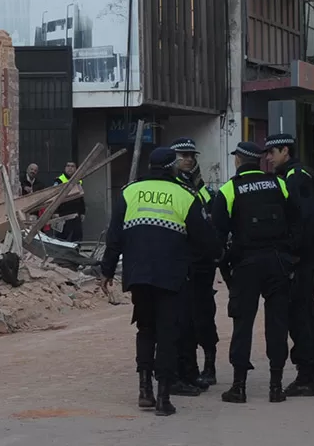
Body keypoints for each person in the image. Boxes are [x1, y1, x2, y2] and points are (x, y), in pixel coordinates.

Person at [99, 146, 218, 416]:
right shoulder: (185, 195)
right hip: (172, 276)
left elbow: (114, 236)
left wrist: (106, 271)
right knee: (167, 334)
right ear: (171, 167)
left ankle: (144, 390)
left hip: (138, 275)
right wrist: (214, 256)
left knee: (145, 329)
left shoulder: (129, 192)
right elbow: (205, 238)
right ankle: (163, 397)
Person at [212, 138, 301, 404]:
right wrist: (291, 256)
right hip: (278, 263)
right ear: (259, 161)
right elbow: (297, 220)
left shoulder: (229, 189)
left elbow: (217, 235)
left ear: (238, 160)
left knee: (243, 324)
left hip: (245, 265)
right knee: (277, 323)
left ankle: (238, 387)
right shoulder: (279, 183)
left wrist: (223, 263)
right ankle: (276, 386)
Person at [276, 137, 314, 398]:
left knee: (300, 314)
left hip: (302, 259)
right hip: (308, 255)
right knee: (306, 312)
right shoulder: (299, 174)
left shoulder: (295, 177)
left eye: (272, 152)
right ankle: (312, 374)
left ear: (286, 151)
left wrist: (294, 254)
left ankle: (308, 374)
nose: (269, 158)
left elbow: (308, 217)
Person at [171, 137, 219, 389]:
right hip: (179, 260)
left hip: (202, 263)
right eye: (183, 155)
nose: (188, 159)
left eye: (191, 155)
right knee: (181, 318)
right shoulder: (171, 186)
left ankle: (209, 365)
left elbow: (212, 219)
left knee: (204, 315)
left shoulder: (202, 188)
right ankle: (187, 369)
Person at [55, 161, 86, 242]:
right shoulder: (59, 180)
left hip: (76, 213)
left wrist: (83, 212)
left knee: (77, 236)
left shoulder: (78, 180)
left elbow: (81, 197)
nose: (70, 168)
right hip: (63, 213)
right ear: (65, 168)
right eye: (68, 166)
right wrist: (56, 212)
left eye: (72, 166)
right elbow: (54, 198)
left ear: (76, 169)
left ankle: (75, 253)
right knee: (61, 237)